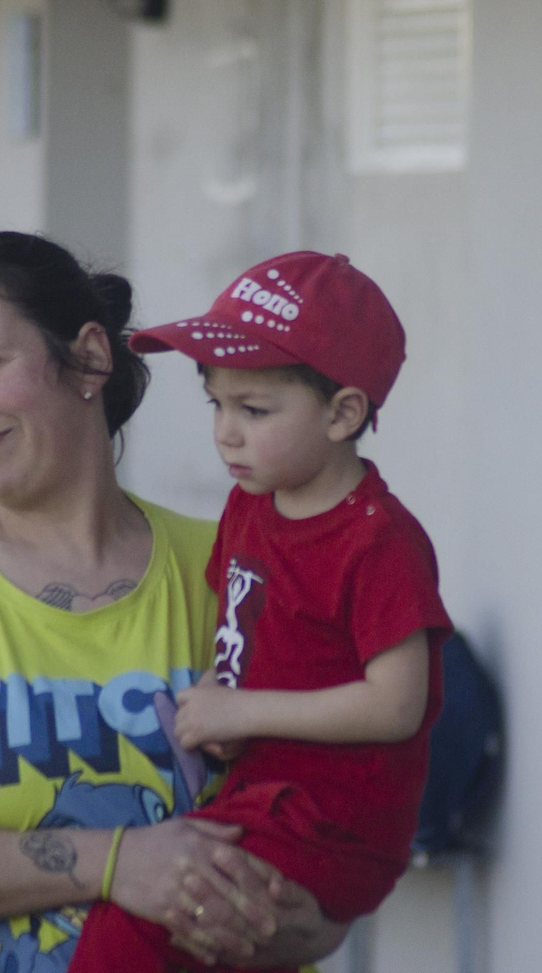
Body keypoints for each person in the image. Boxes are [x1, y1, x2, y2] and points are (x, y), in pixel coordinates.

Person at [0, 231, 349, 973]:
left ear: (88, 356)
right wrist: (117, 861)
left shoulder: (238, 574)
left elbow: (333, 831)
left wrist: (313, 915)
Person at [62, 250, 453, 971]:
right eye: (217, 403)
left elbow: (398, 705)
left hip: (333, 824)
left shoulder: (378, 541)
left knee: (136, 926)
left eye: (254, 410)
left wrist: (243, 713)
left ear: (343, 413)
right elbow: (244, 636)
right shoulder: (251, 505)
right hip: (261, 794)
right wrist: (220, 693)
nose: (226, 433)